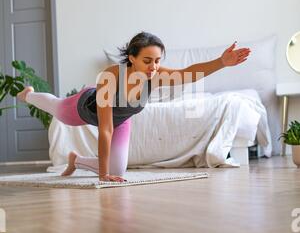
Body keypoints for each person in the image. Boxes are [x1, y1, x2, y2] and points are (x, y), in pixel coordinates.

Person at [17, 31, 251, 182]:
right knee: (58, 110)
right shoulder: (111, 76)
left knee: (118, 171)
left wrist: (222, 62)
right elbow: (105, 128)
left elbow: (187, 74)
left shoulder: (156, 76)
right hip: (85, 108)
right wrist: (102, 175)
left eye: (158, 61)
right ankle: (29, 95)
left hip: (121, 121)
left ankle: (76, 160)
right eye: (147, 61)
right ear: (132, 58)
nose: (153, 67)